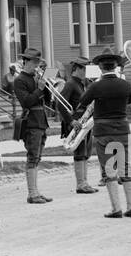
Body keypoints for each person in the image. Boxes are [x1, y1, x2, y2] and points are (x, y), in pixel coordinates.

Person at [80, 48, 131, 218]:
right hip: (122, 129)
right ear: (115, 66)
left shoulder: (96, 86)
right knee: (125, 167)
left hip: (103, 131)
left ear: (101, 68)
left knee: (109, 169)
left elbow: (83, 101)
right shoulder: (125, 85)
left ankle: (116, 209)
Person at [12, 48, 53, 204]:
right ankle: (32, 193)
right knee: (32, 157)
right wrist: (39, 88)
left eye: (38, 62)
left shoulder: (37, 78)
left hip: (41, 120)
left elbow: (48, 101)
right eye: (35, 62)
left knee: (37, 157)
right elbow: (27, 101)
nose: (37, 65)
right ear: (26, 61)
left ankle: (36, 191)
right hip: (31, 122)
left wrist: (47, 85)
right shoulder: (20, 80)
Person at [58, 59, 98, 194]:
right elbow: (60, 104)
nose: (86, 72)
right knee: (80, 153)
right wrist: (70, 121)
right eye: (84, 69)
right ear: (77, 68)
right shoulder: (71, 84)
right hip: (77, 122)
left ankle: (85, 182)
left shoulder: (82, 84)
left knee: (85, 153)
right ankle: (81, 184)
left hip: (85, 121)